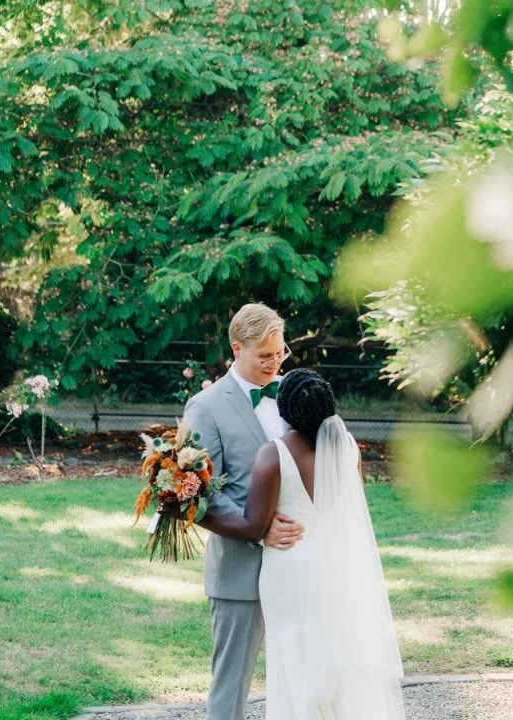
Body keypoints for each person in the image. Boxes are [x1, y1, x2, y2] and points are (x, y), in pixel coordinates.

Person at [209, 368, 406, 720]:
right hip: (337, 568)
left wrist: (196, 510)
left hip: (290, 570)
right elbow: (349, 507)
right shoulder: (348, 446)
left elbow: (254, 524)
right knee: (337, 659)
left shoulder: (274, 455)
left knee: (295, 663)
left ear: (284, 411)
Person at [184, 303, 305, 720]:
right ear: (237, 349)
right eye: (264, 356)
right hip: (240, 570)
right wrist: (258, 530)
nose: (275, 363)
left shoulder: (293, 391)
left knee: (304, 674)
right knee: (232, 684)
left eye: (280, 353)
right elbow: (202, 496)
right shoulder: (205, 407)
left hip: (302, 558)